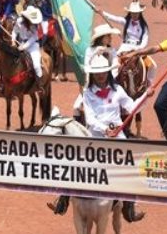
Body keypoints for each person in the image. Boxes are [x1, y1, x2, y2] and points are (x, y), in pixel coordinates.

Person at [49, 54, 153, 222]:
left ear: (108, 72)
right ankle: (63, 199)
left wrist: (146, 96)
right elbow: (90, 119)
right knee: (75, 160)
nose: (101, 75)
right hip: (95, 134)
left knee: (131, 161)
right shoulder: (87, 93)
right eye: (97, 72)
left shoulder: (118, 90)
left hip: (117, 133)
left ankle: (130, 206)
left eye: (103, 71)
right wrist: (105, 130)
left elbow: (132, 108)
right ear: (92, 74)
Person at [101, 1, 158, 83]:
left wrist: (138, 49)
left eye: (136, 13)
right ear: (130, 13)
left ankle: (149, 83)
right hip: (125, 46)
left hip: (138, 48)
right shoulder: (125, 22)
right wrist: (102, 13)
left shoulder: (144, 26)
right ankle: (112, 82)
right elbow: (114, 18)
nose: (134, 15)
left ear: (140, 13)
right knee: (115, 63)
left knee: (153, 65)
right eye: (133, 13)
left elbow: (145, 40)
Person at [11, 6, 45, 93]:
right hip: (21, 43)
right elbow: (15, 31)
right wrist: (13, 40)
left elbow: (34, 37)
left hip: (33, 45)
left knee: (36, 65)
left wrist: (24, 46)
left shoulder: (35, 26)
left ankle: (39, 85)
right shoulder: (19, 22)